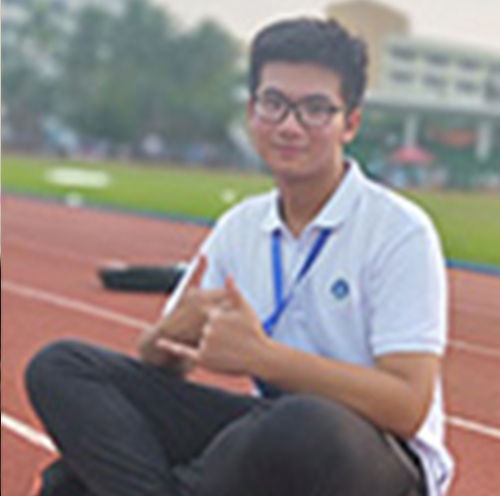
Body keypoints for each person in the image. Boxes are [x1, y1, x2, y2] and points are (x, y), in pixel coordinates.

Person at [26, 17, 453, 496]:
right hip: (266, 434)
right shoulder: (240, 228)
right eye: (274, 103)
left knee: (301, 423)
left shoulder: (398, 231)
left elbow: (406, 405)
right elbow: (162, 363)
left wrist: (264, 358)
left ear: (349, 123)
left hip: (371, 455)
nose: (289, 125)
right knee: (60, 367)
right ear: (252, 111)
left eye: (315, 110)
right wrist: (169, 335)